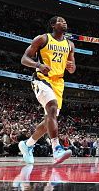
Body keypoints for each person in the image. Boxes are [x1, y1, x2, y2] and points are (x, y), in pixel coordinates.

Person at [19, 16, 75, 165]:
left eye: (65, 20)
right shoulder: (42, 39)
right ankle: (56, 149)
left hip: (59, 83)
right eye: (60, 21)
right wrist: (38, 65)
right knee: (52, 107)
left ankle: (27, 144)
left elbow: (73, 67)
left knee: (48, 122)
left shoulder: (70, 45)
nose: (64, 22)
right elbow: (24, 59)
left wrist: (71, 67)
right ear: (52, 25)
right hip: (41, 79)